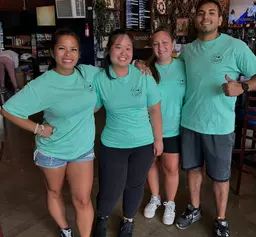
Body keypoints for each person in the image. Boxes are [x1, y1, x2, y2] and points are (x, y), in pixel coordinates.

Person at [175, 0, 256, 237]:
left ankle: (221, 219)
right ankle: (194, 208)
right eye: (200, 12)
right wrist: (145, 65)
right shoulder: (188, 50)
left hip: (219, 126)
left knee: (220, 176)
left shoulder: (235, 46)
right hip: (189, 122)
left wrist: (243, 87)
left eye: (211, 13)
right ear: (195, 19)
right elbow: (170, 72)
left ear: (220, 19)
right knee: (193, 170)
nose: (205, 16)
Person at [1, 28, 100, 237]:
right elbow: (8, 110)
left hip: (82, 149)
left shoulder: (88, 73)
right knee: (54, 192)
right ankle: (65, 229)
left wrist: (139, 65)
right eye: (62, 48)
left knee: (82, 199)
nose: (68, 54)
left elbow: (115, 74)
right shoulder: (42, 85)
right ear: (53, 52)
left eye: (73, 49)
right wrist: (38, 129)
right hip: (53, 150)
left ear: (79, 54)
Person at [93, 29, 163, 237]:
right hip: (113, 143)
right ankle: (102, 217)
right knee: (110, 187)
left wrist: (158, 139)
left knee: (135, 184)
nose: (123, 53)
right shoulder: (99, 79)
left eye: (128, 48)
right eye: (118, 47)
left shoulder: (143, 74)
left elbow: (155, 110)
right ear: (108, 50)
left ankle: (128, 220)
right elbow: (93, 108)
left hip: (143, 143)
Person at [143, 28, 186, 225]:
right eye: (156, 44)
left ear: (173, 43)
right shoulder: (145, 69)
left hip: (173, 128)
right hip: (147, 128)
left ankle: (170, 203)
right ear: (151, 47)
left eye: (165, 42)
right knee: (150, 164)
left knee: (170, 167)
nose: (161, 47)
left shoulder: (184, 66)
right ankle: (155, 197)